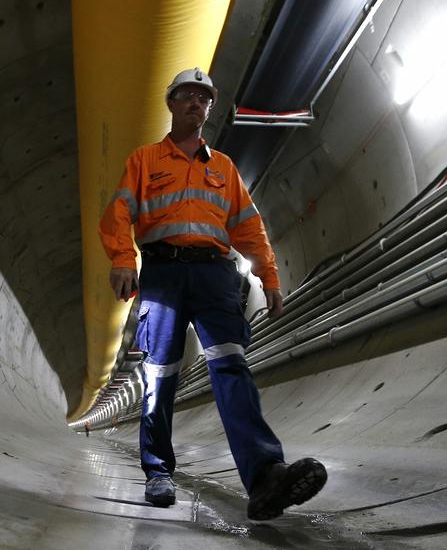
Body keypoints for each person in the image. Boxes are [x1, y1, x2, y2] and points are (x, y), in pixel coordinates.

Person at [98, 68, 327, 520]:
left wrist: (270, 277)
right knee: (160, 377)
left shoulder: (223, 168)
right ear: (171, 104)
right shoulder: (145, 160)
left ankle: (265, 476)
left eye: (203, 99)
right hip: (162, 272)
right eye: (186, 96)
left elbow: (249, 228)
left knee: (231, 365)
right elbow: (119, 211)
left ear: (208, 109)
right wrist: (124, 259)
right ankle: (159, 471)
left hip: (214, 276)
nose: (195, 104)